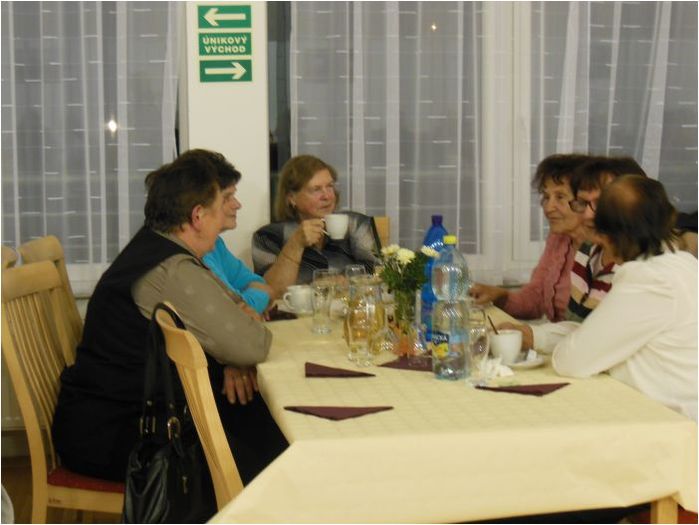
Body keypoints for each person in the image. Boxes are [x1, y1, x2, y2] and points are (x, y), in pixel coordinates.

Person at [52, 149, 287, 484]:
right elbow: (252, 343)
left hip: (122, 416)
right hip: (119, 435)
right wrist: (235, 352)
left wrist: (234, 350)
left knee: (265, 424)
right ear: (198, 215)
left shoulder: (159, 247)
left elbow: (238, 320)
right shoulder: (172, 269)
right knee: (274, 450)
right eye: (224, 199)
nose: (234, 206)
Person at [538, 176, 695, 420]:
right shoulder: (683, 263)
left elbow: (572, 361)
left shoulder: (648, 279)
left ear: (610, 237)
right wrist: (538, 336)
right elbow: (600, 331)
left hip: (671, 423)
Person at [470, 154, 590, 321]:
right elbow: (535, 299)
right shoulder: (559, 239)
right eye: (546, 197)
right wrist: (499, 296)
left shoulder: (604, 250)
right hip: (558, 336)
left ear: (585, 201)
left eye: (560, 197)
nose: (548, 207)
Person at [252, 154, 381, 292]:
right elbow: (269, 291)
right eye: (316, 189)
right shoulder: (268, 237)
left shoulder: (355, 224)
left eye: (330, 186)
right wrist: (295, 244)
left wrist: (345, 279)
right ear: (291, 198)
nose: (327, 196)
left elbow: (377, 270)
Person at [202, 165, 275, 314]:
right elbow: (234, 309)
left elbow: (259, 283)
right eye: (227, 198)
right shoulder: (197, 250)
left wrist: (253, 297)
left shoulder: (216, 242)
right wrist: (258, 298)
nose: (237, 205)